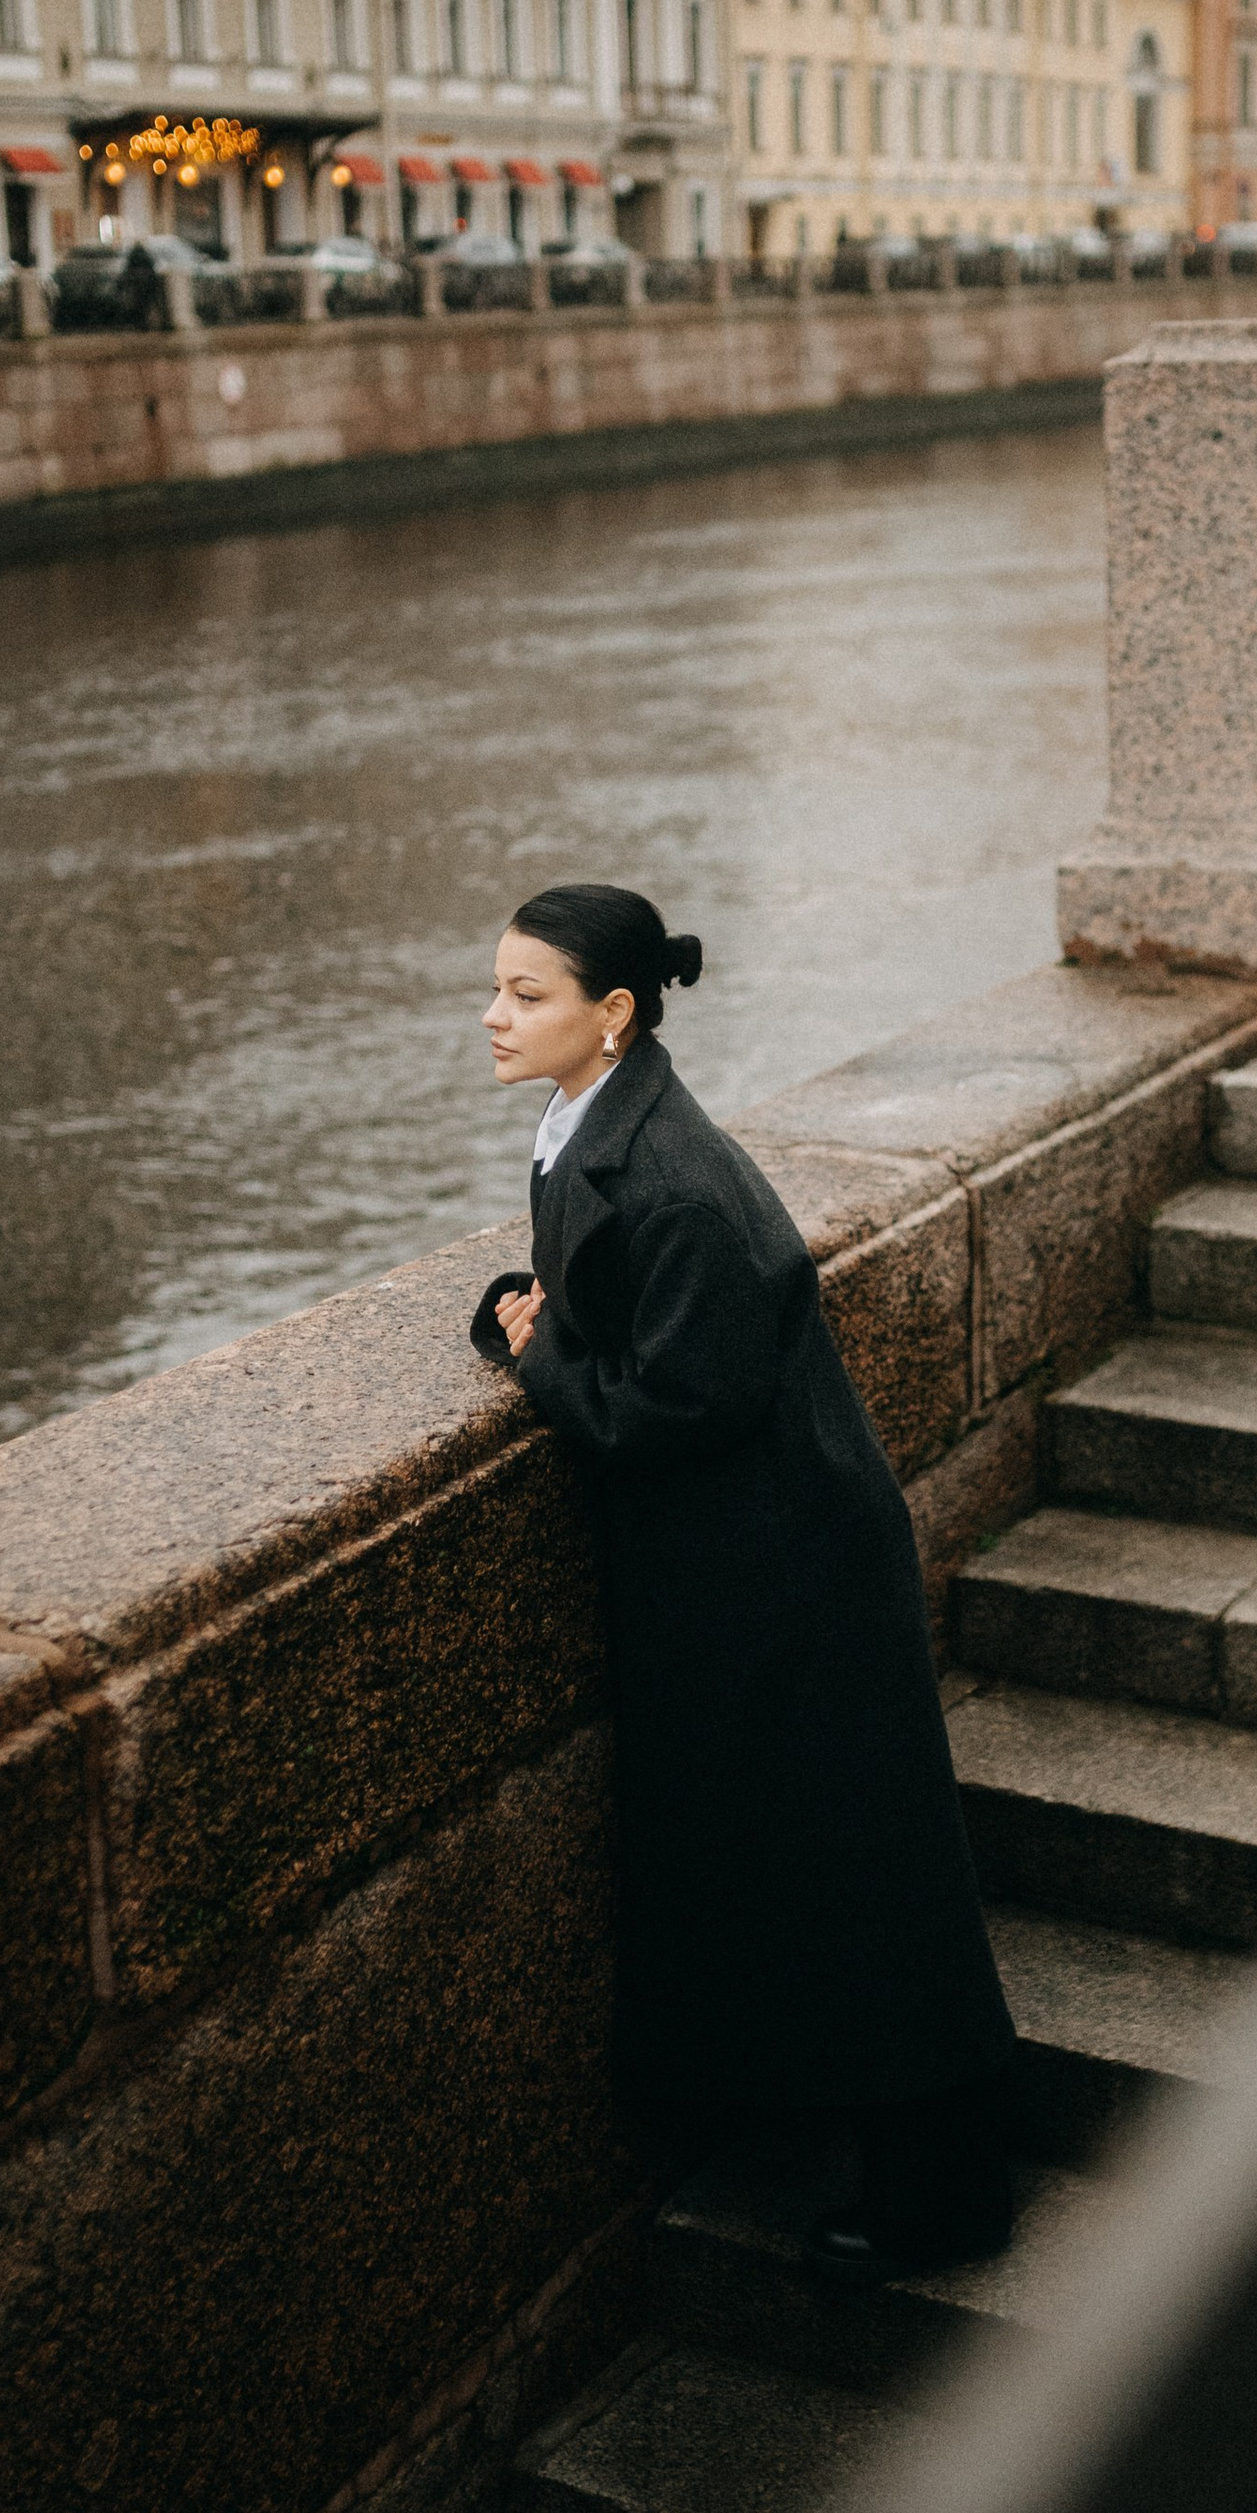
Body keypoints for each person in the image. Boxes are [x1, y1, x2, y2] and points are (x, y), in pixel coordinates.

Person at [471, 882, 1016, 2280]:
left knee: (863, 1885)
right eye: (497, 988)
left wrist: (542, 1361)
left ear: (617, 1015)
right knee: (812, 1875)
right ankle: (846, 2146)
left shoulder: (676, 1182)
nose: (493, 1015)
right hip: (749, 1562)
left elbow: (676, 1409)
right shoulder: (608, 1122)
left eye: (528, 995)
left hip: (793, 1576)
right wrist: (542, 1328)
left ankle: (946, 2203)